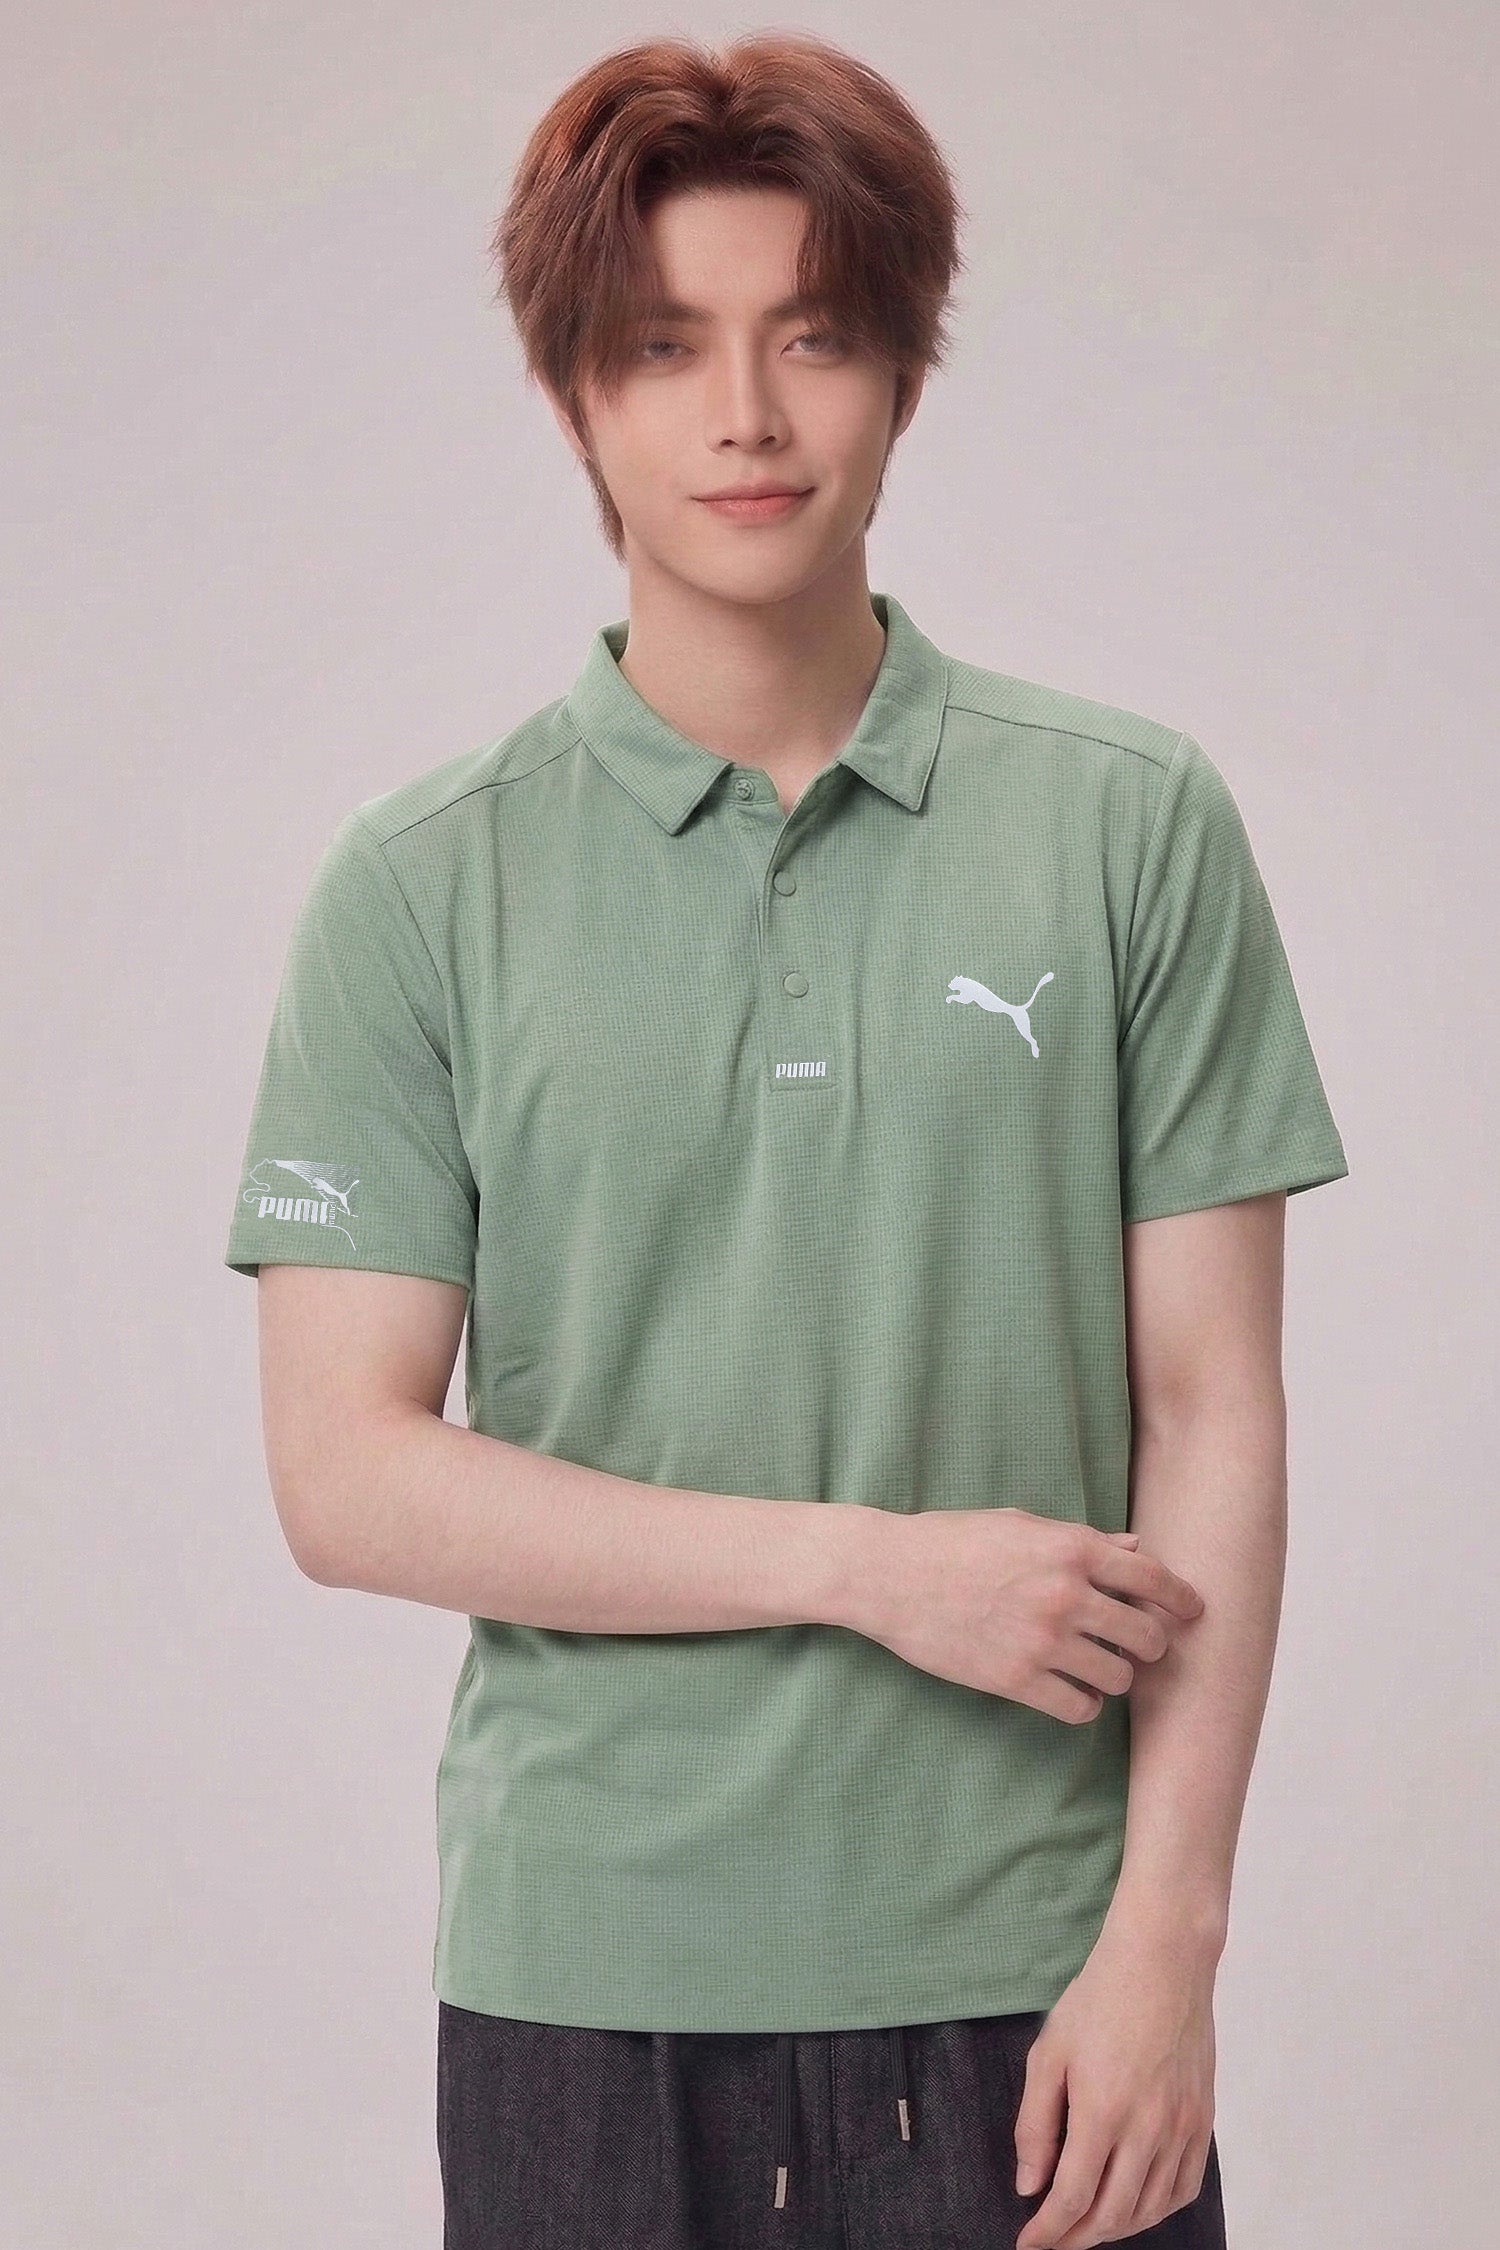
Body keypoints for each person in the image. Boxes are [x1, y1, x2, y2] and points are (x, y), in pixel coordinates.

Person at [224, 31, 1349, 2250]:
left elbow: (1214, 1404)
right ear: (575, 397)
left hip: (1042, 1986)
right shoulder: (421, 886)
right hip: (585, 1994)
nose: (746, 414)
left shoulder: (1129, 824)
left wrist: (1169, 1939)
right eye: (666, 347)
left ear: (905, 373)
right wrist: (874, 1568)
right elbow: (344, 1475)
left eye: (813, 335)